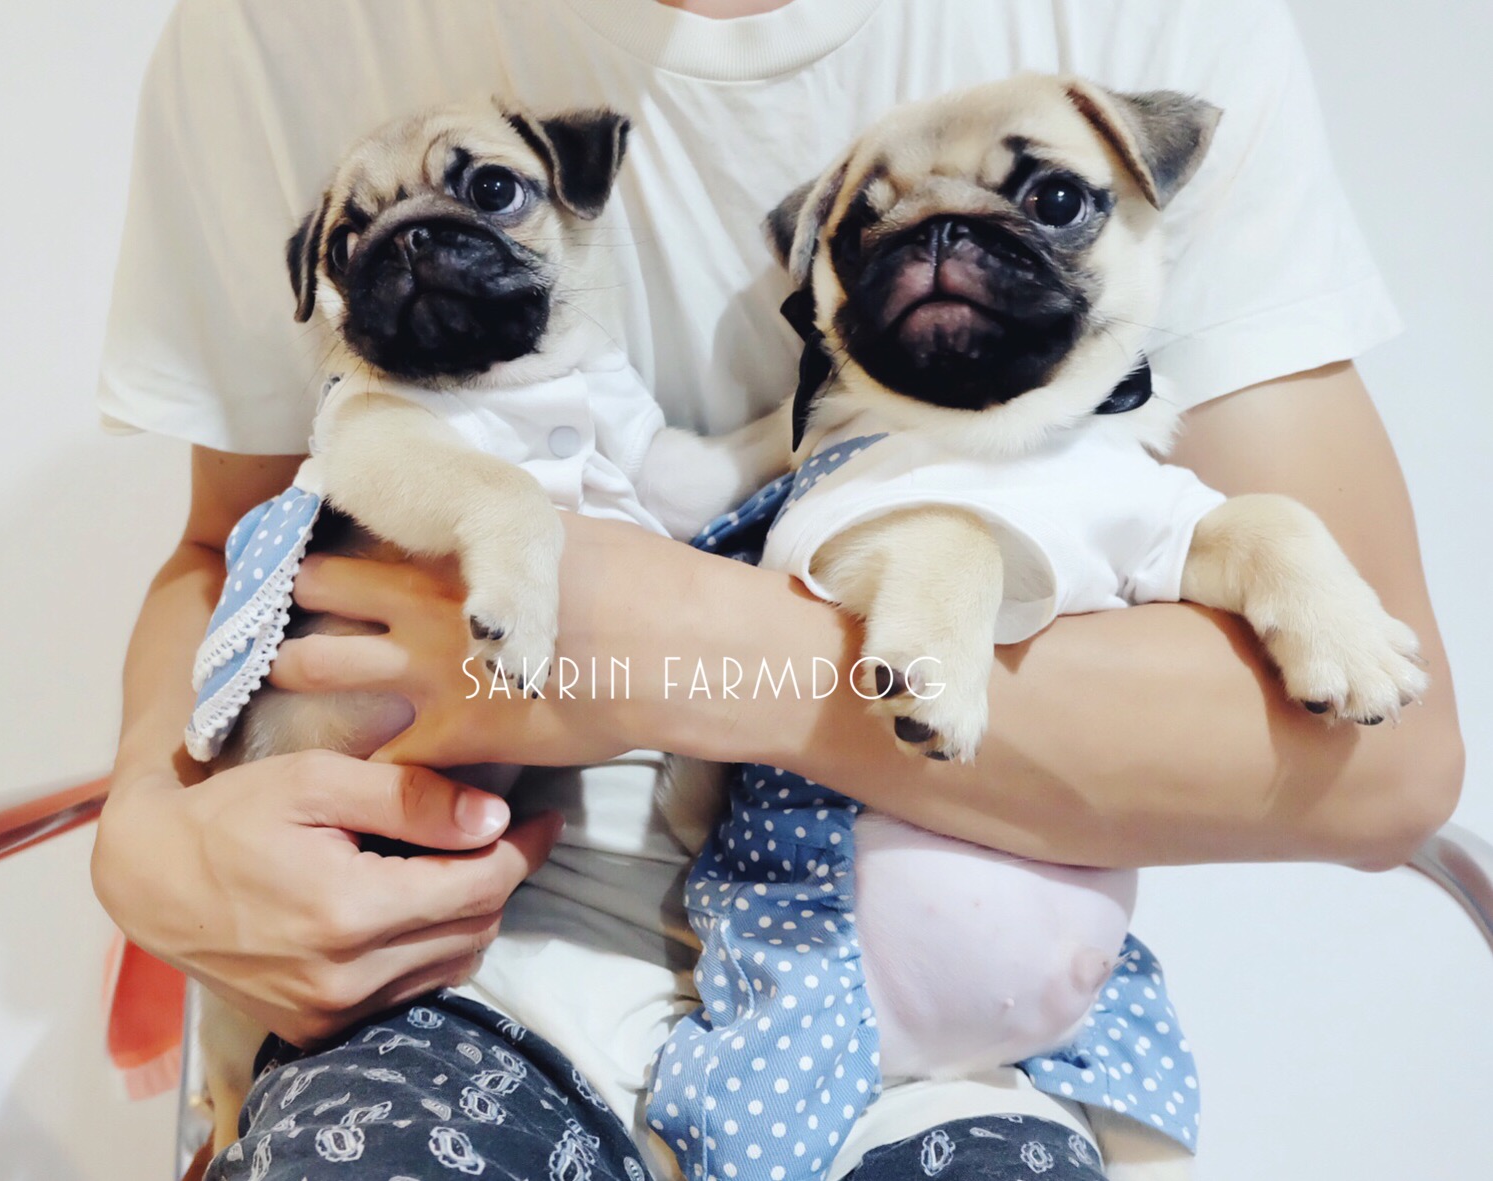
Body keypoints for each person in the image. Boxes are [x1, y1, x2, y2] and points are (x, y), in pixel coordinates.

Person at [89, 0, 1464, 1177]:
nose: (945, 249)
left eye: (1046, 204)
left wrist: (688, 647)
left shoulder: (1149, 27)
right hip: (452, 962)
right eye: (871, 233)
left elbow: (1387, 763)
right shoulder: (274, 34)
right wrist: (144, 831)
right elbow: (228, 546)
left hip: (930, 1033)